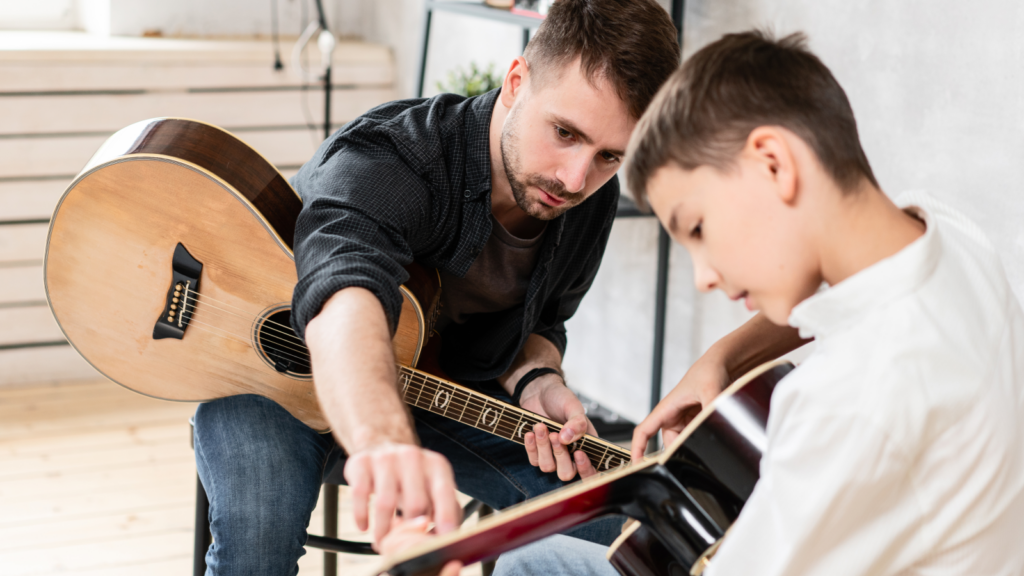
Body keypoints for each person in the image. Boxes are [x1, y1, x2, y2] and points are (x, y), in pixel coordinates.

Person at [488, 30, 1024, 576]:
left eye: (698, 228)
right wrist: (723, 359)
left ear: (773, 162)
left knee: (525, 563)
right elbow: (857, 286)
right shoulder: (950, 236)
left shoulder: (847, 403)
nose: (703, 276)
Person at [190, 0, 681, 573]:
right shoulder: (396, 154)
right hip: (268, 378)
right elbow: (342, 295)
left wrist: (537, 376)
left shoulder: (585, 201)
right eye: (565, 133)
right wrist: (383, 441)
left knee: (618, 528)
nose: (575, 178)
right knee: (255, 549)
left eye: (608, 156)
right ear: (517, 82)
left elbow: (543, 321)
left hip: (438, 394)